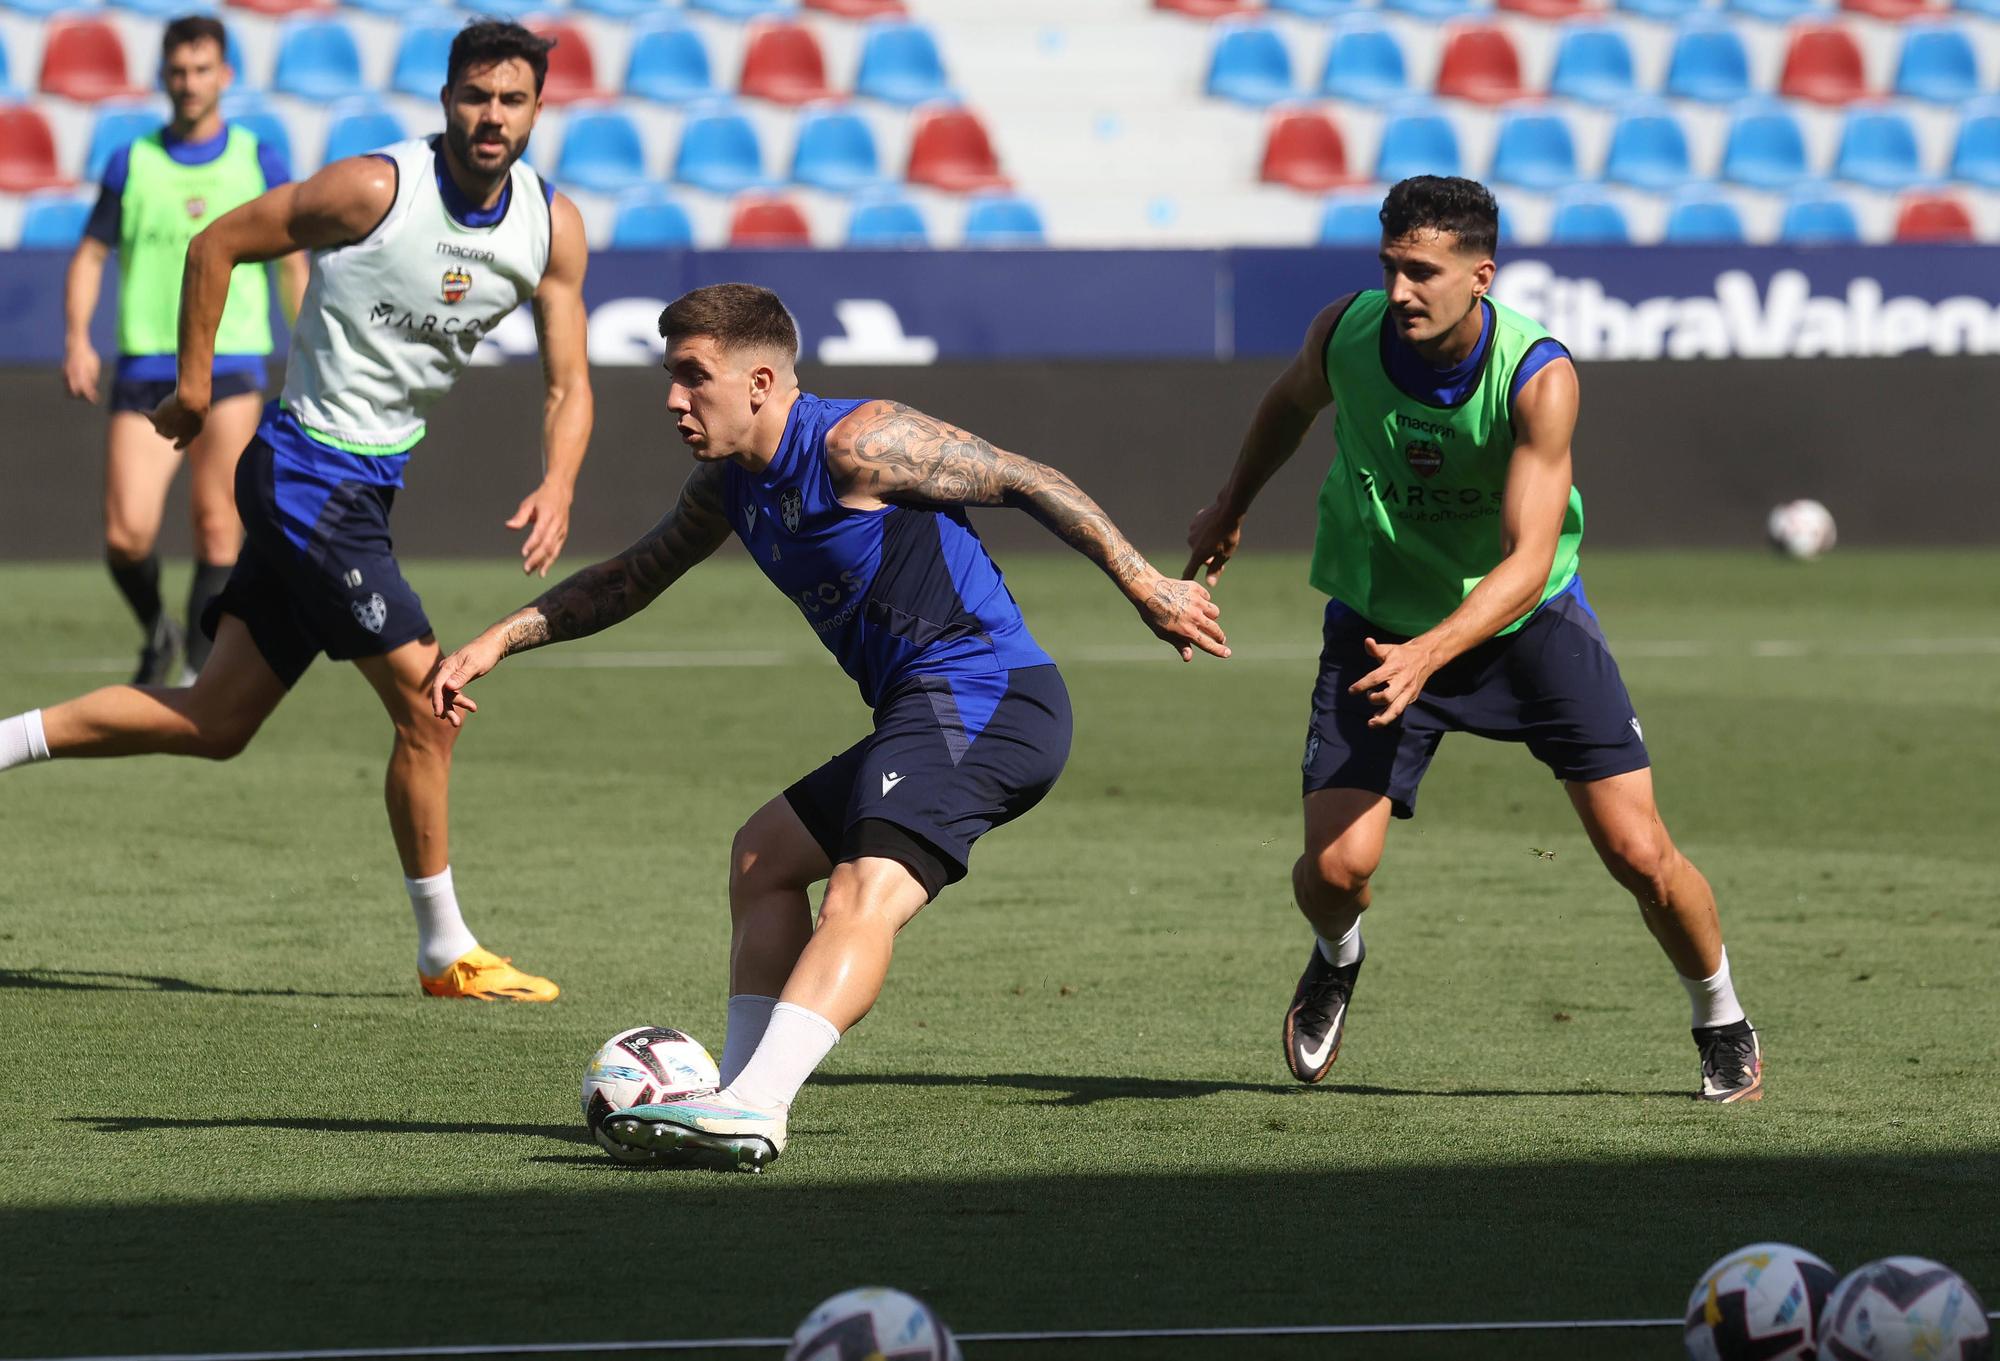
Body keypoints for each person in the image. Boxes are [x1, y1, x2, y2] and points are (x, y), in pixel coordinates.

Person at [427, 283, 1230, 1169]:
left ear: (763, 381)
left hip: (990, 697)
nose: (672, 400)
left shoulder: (859, 442)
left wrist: (1147, 584)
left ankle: (758, 1105)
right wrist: (499, 639)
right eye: (669, 377)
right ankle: (732, 1100)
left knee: (861, 889)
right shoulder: (729, 488)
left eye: (694, 378)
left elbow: (1025, 476)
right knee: (762, 857)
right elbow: (631, 577)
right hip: (925, 710)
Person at [0, 20, 592, 1003]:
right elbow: (218, 240)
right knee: (427, 702)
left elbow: (568, 383)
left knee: (216, 717)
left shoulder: (550, 225)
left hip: (365, 489)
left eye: (511, 99)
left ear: (537, 108)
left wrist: (561, 478)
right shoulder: (372, 188)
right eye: (475, 96)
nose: (491, 116)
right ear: (445, 99)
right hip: (303, 471)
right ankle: (445, 948)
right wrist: (194, 391)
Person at [1183, 176, 1762, 1103]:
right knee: (1336, 870)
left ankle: (1722, 1016)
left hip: (1525, 625)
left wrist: (1432, 651)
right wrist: (1231, 502)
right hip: (1379, 622)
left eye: (1422, 271)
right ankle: (1338, 958)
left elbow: (1529, 561)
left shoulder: (1539, 376)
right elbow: (1291, 403)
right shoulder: (1346, 334)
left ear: (1480, 275)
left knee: (1640, 854)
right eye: (1389, 267)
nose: (1400, 289)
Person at [62, 14, 308, 684]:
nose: (189, 83)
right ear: (163, 76)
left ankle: (198, 675)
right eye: (178, 71)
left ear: (224, 76)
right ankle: (157, 627)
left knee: (217, 524)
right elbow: (90, 254)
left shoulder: (257, 158)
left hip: (230, 366)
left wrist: (308, 339)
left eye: (202, 70)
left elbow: (292, 260)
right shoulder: (131, 160)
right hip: (146, 367)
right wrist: (77, 337)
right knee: (126, 535)